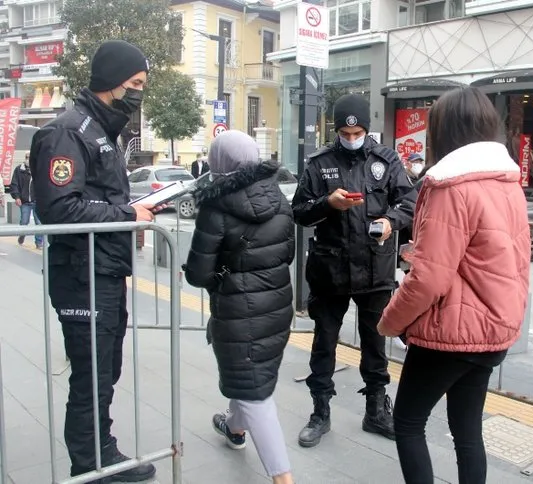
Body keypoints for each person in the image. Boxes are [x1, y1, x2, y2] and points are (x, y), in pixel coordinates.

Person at [376, 87, 530, 484]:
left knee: (408, 421)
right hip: (494, 330)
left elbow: (428, 278)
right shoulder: (507, 181)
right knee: (467, 432)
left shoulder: (450, 186)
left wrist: (389, 322)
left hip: (451, 333)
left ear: (443, 132)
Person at [30, 40, 158, 482]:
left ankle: (103, 450)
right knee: (91, 375)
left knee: (106, 370)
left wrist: (136, 206)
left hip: (103, 271)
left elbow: (97, 198)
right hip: (82, 275)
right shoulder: (68, 132)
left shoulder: (102, 132)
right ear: (113, 82)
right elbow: (60, 208)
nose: (140, 92)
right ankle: (89, 466)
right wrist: (127, 213)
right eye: (136, 84)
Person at [292, 93, 416, 448]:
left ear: (366, 129)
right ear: (336, 130)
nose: (350, 138)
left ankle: (376, 411)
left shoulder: (385, 159)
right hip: (330, 270)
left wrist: (391, 221)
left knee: (376, 345)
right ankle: (320, 413)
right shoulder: (320, 163)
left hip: (375, 270)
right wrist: (327, 204)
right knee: (324, 343)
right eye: (344, 134)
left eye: (357, 132)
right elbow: (299, 211)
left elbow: (410, 200)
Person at [184, 131, 295, 484]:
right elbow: (287, 254)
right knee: (252, 378)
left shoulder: (216, 205)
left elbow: (199, 274)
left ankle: (283, 478)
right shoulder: (278, 197)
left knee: (254, 393)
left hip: (238, 314)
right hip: (276, 309)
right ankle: (234, 428)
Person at [9, 153, 42, 249]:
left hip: (37, 201)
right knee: (24, 221)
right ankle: (22, 235)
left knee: (39, 223)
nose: (29, 160)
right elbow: (14, 184)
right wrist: (17, 197)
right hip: (25, 201)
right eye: (27, 158)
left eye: (30, 158)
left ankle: (39, 242)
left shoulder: (39, 169)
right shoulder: (19, 170)